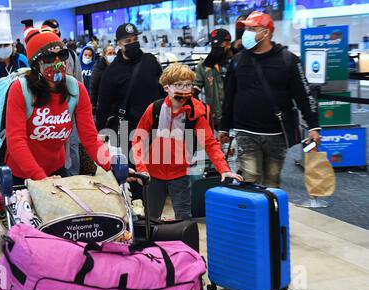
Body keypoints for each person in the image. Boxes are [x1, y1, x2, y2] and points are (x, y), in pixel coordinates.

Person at [219, 11, 321, 188]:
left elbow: (303, 95)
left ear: (266, 32)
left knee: (272, 182)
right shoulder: (237, 61)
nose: (246, 33)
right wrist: (223, 127)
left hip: (276, 132)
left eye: (252, 29)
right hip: (245, 131)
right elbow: (229, 96)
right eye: (246, 29)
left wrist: (313, 125)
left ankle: (269, 215)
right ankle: (251, 215)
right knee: (249, 178)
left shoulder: (289, 60)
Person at [132, 63, 243, 220]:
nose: (184, 89)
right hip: (153, 175)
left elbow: (210, 143)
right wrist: (141, 168)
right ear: (166, 87)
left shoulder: (196, 114)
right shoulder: (155, 109)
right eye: (179, 85)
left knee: (184, 221)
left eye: (188, 85)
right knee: (150, 220)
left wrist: (223, 168)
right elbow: (138, 139)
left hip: (180, 175)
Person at [5, 25, 111, 184]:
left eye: (62, 55)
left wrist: (113, 165)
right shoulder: (20, 89)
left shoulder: (76, 89)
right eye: (49, 57)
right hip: (21, 174)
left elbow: (89, 138)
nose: (58, 62)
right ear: (35, 63)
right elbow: (16, 141)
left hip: (57, 170)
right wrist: (40, 178)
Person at [96, 23, 164, 200]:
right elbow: (103, 104)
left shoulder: (150, 61)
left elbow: (164, 89)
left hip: (155, 126)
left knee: (155, 169)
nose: (133, 43)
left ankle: (154, 210)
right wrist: (99, 132)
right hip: (128, 129)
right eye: (128, 41)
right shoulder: (112, 72)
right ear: (119, 43)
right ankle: (138, 213)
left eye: (135, 40)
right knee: (134, 174)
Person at [41, 18, 84, 176]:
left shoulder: (71, 56)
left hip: (68, 113)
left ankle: (73, 181)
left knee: (72, 147)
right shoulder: (40, 60)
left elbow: (80, 84)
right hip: (46, 116)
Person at [194, 29, 233, 129]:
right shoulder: (204, 66)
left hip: (236, 117)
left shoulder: (237, 62)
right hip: (215, 119)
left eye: (220, 45)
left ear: (228, 44)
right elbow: (195, 90)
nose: (215, 49)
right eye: (213, 45)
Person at [90, 45, 116, 113]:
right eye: (110, 53)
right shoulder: (98, 69)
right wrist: (93, 104)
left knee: (123, 123)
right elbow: (93, 88)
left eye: (114, 53)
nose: (112, 55)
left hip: (118, 106)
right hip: (103, 105)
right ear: (104, 55)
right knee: (102, 122)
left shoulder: (119, 67)